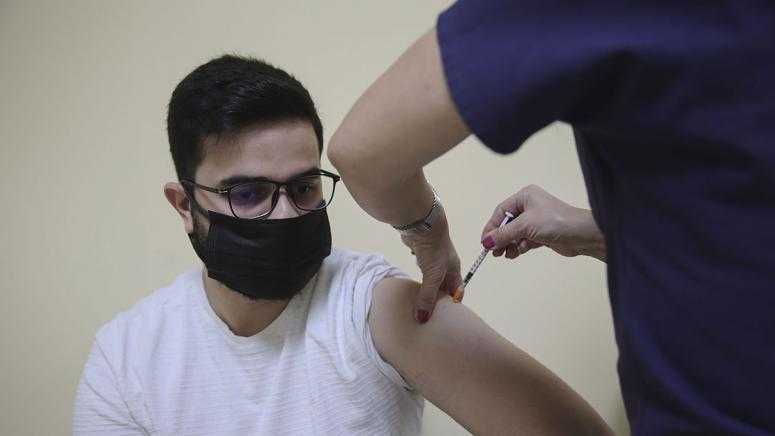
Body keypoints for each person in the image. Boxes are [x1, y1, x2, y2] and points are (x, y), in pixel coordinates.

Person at [72, 55, 612, 435]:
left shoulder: (373, 308)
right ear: (184, 205)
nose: (286, 214)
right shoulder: (128, 358)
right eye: (249, 194)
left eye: (304, 187)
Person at [327, 2, 775, 435]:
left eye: (307, 188)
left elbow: (362, 154)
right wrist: (598, 233)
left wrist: (428, 235)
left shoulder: (367, 304)